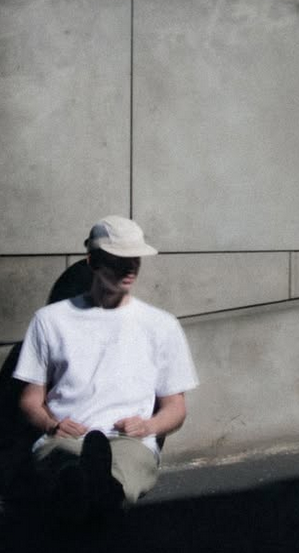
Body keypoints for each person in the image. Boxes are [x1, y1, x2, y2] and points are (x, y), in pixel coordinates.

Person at [12, 215, 198, 521]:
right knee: (64, 464)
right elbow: (30, 400)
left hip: (129, 441)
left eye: (134, 259)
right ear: (93, 262)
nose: (130, 268)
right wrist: (51, 426)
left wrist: (148, 426)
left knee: (121, 471)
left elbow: (176, 407)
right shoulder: (50, 320)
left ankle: (95, 495)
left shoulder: (161, 325)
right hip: (67, 437)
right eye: (118, 260)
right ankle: (85, 493)